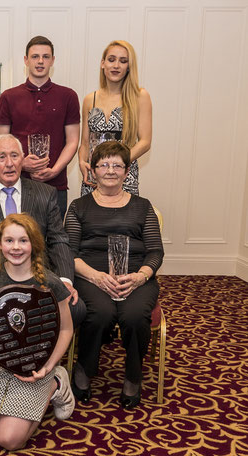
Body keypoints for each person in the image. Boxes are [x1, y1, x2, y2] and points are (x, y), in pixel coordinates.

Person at [0, 134, 85, 372]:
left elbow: (59, 240)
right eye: (1, 157)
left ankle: (42, 366)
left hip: (35, 273)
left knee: (75, 307)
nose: (10, 163)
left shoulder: (45, 194)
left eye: (15, 156)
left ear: (23, 160)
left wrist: (65, 280)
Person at [0, 214, 74, 451]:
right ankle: (0, 409)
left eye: (23, 240)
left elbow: (66, 328)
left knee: (9, 441)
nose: (16, 247)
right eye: (9, 240)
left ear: (34, 245)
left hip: (36, 365)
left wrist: (48, 366)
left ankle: (56, 383)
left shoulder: (50, 282)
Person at [64, 141, 163, 409]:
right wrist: (96, 276)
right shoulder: (78, 206)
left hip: (136, 276)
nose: (110, 170)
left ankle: (133, 377)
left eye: (117, 165)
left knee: (133, 316)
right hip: (90, 275)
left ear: (127, 170)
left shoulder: (143, 206)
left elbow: (155, 252)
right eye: (103, 164)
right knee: (100, 313)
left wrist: (140, 277)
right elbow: (68, 253)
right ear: (93, 170)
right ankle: (84, 369)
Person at [0, 36, 80, 220]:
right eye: (35, 56)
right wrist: (21, 163)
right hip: (18, 184)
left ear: (53, 60)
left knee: (53, 240)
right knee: (19, 237)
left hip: (56, 185)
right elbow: (1, 143)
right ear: (26, 60)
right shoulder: (9, 97)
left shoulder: (68, 96)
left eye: (45, 56)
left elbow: (73, 141)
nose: (40, 61)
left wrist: (55, 170)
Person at [78, 40, 152, 196]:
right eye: (111, 60)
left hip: (124, 175)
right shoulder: (89, 99)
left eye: (123, 61)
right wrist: (82, 162)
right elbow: (84, 143)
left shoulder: (139, 96)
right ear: (102, 63)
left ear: (129, 67)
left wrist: (118, 164)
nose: (116, 65)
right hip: (95, 176)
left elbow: (145, 142)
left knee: (124, 219)